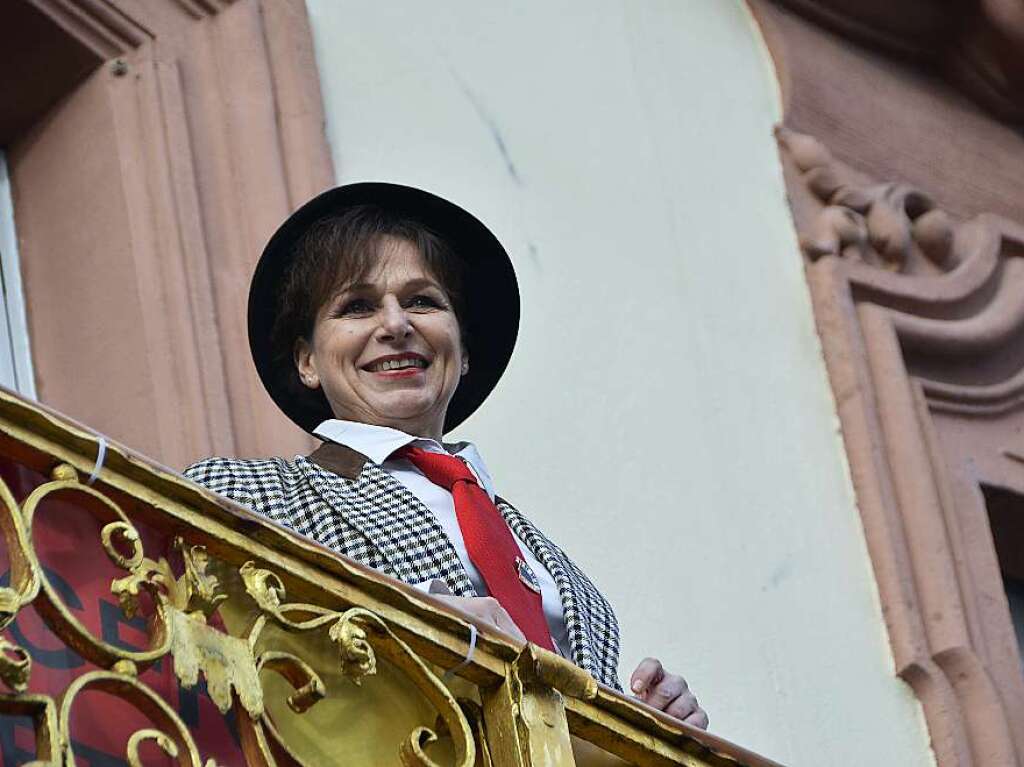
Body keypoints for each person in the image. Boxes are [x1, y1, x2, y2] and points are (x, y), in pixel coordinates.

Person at [185, 183, 707, 728]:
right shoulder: (240, 494)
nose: (395, 324)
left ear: (462, 352)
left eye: (422, 301)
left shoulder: (563, 575)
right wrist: (408, 638)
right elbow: (214, 673)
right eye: (357, 306)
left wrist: (648, 732)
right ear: (308, 362)